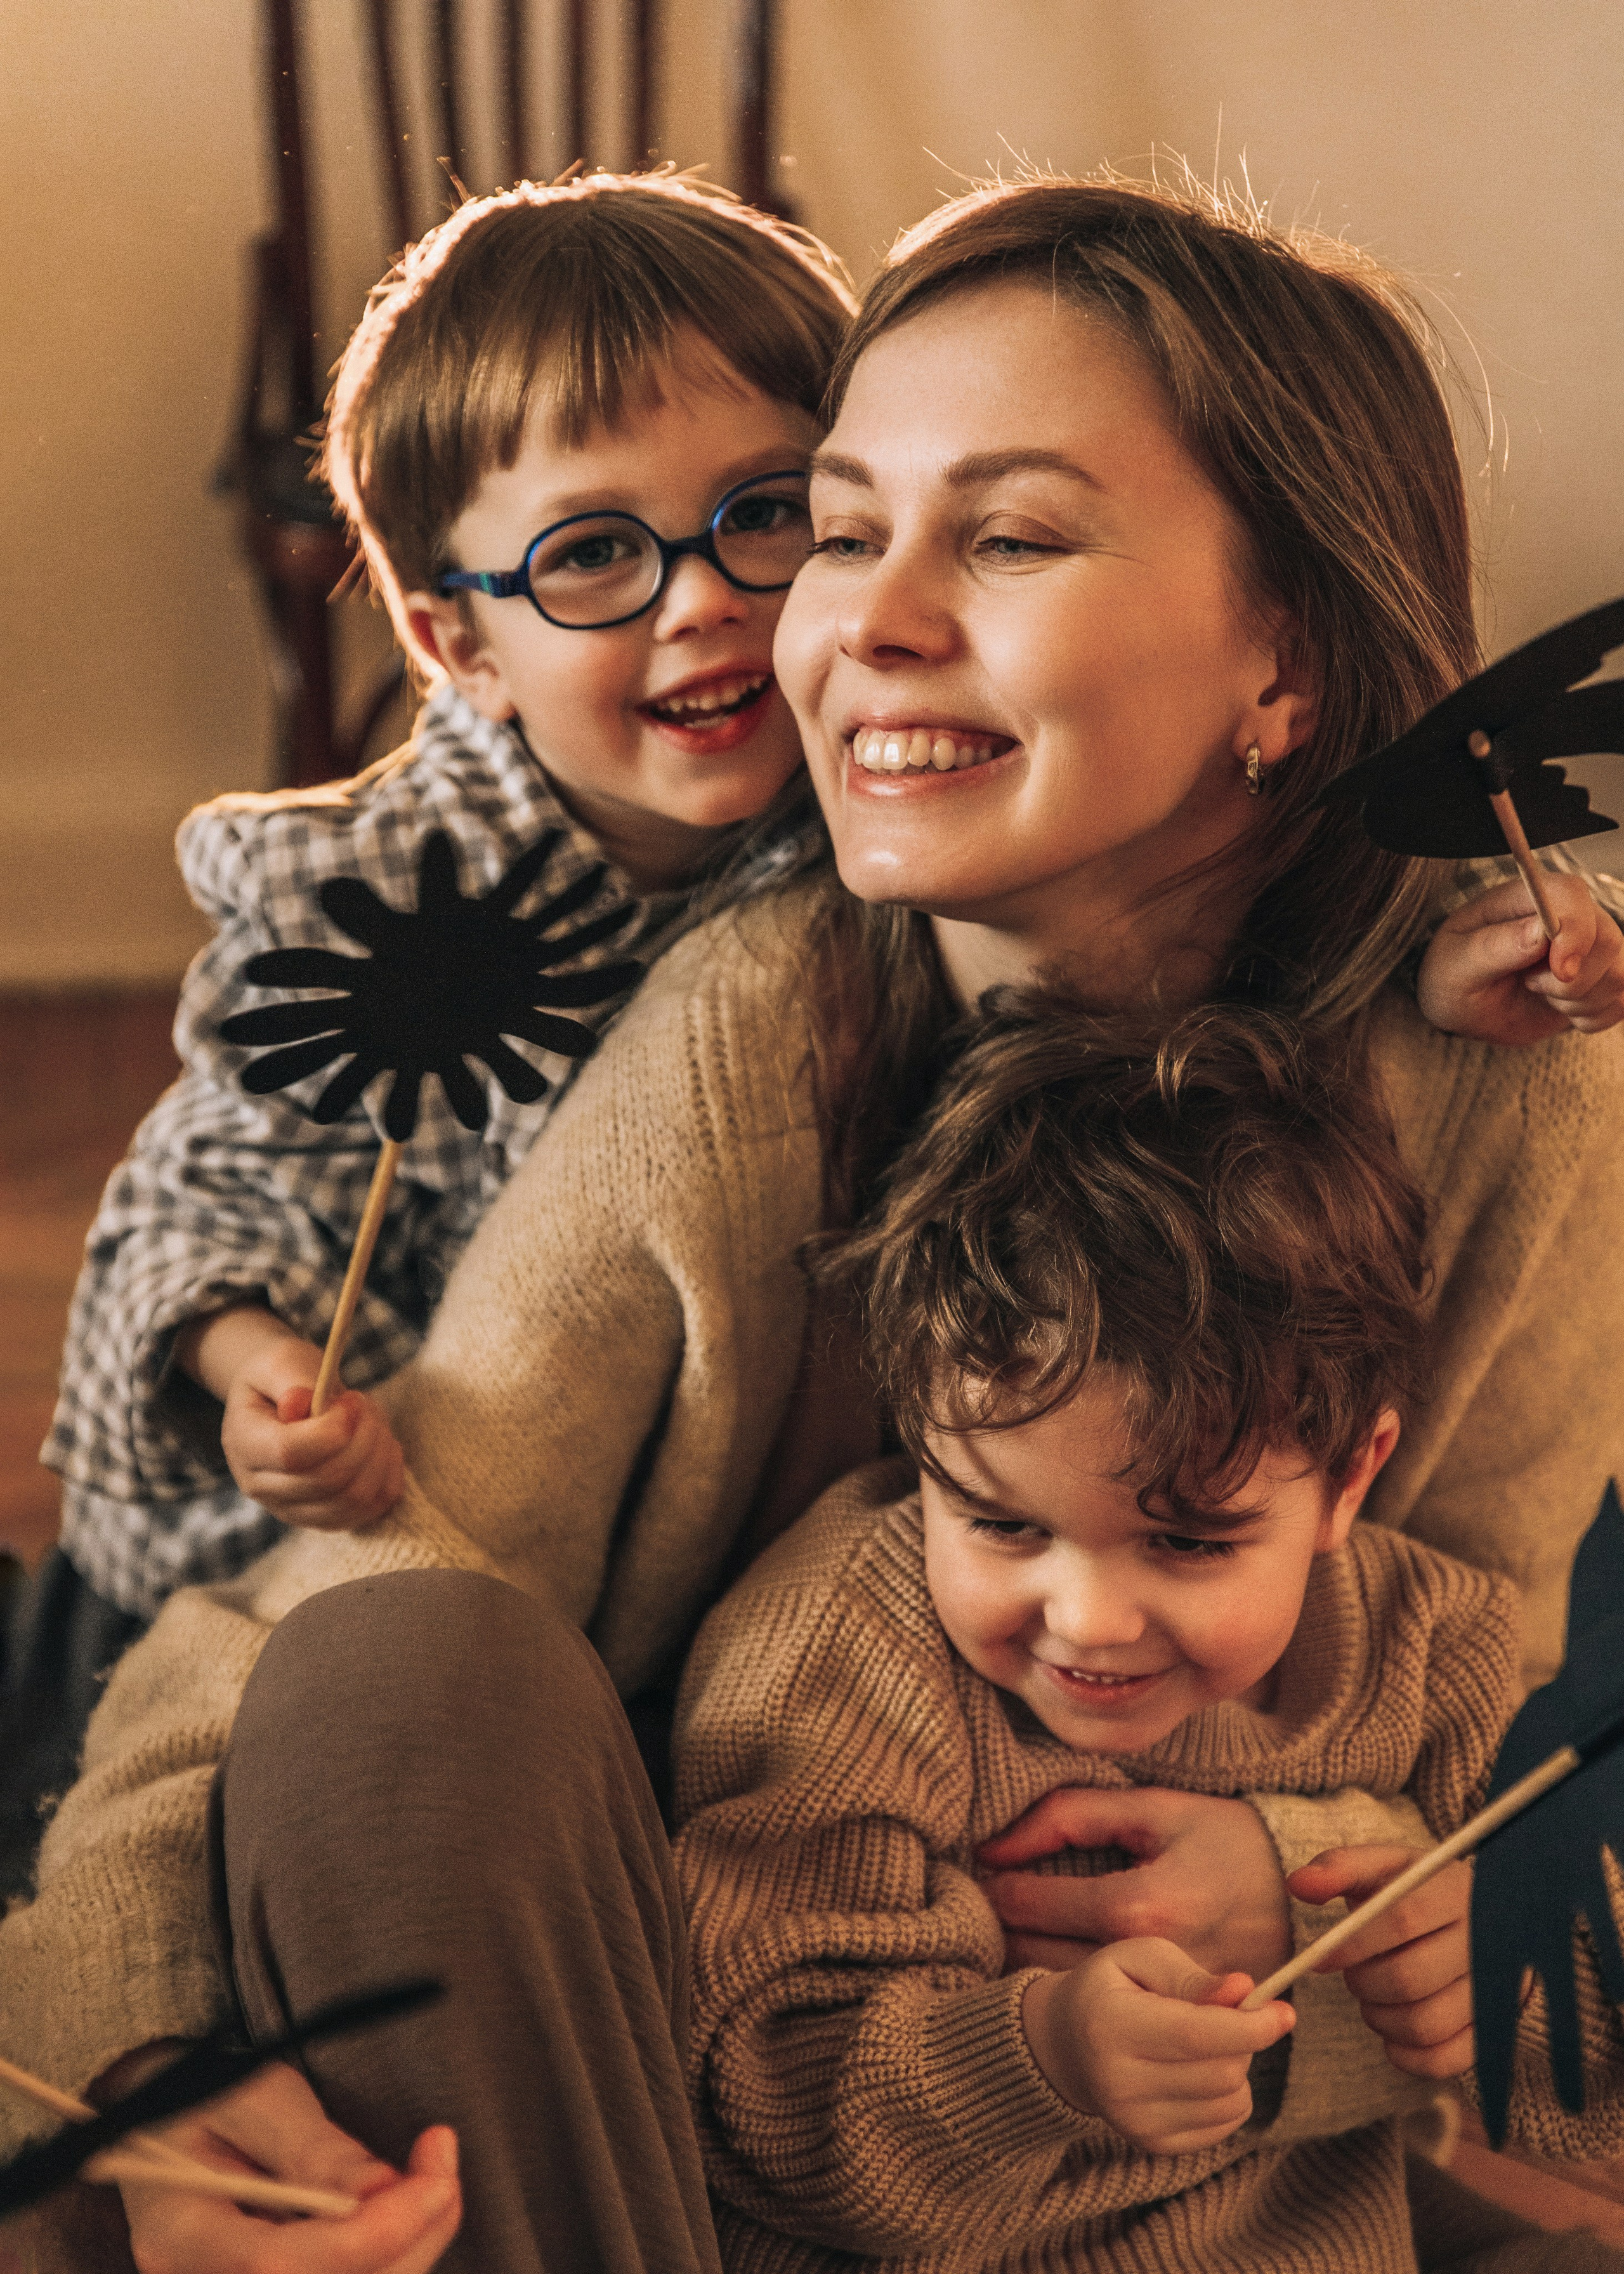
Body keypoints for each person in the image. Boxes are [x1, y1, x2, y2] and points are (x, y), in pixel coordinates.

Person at [5, 172, 1624, 2273]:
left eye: (1012, 533)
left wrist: (1326, 1878)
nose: (860, 622)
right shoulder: (766, 1017)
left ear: (1287, 660)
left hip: (1218, 2157)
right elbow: (350, 1580)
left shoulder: (1517, 1066)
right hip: (704, 2085)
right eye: (841, 527)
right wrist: (144, 2066)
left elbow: (1544, 1766)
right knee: (387, 1676)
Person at [0, 168, 855, 1898]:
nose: (701, 601)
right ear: (452, 637)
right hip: (291, 1537)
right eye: (596, 551)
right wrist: (259, 1381)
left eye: (765, 514)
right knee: (112, 1852)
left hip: (624, 1509)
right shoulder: (369, 894)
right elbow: (191, 1209)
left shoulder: (864, 832)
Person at [673, 997, 1624, 2272]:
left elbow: (1591, 2080)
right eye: (1000, 1523)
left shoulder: (1435, 1648)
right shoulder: (842, 1651)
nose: (1086, 1619)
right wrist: (1037, 2059)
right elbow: (745, 2104)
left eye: (1184, 1541)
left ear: (1349, 1476)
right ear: (917, 1433)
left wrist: (1500, 1969)